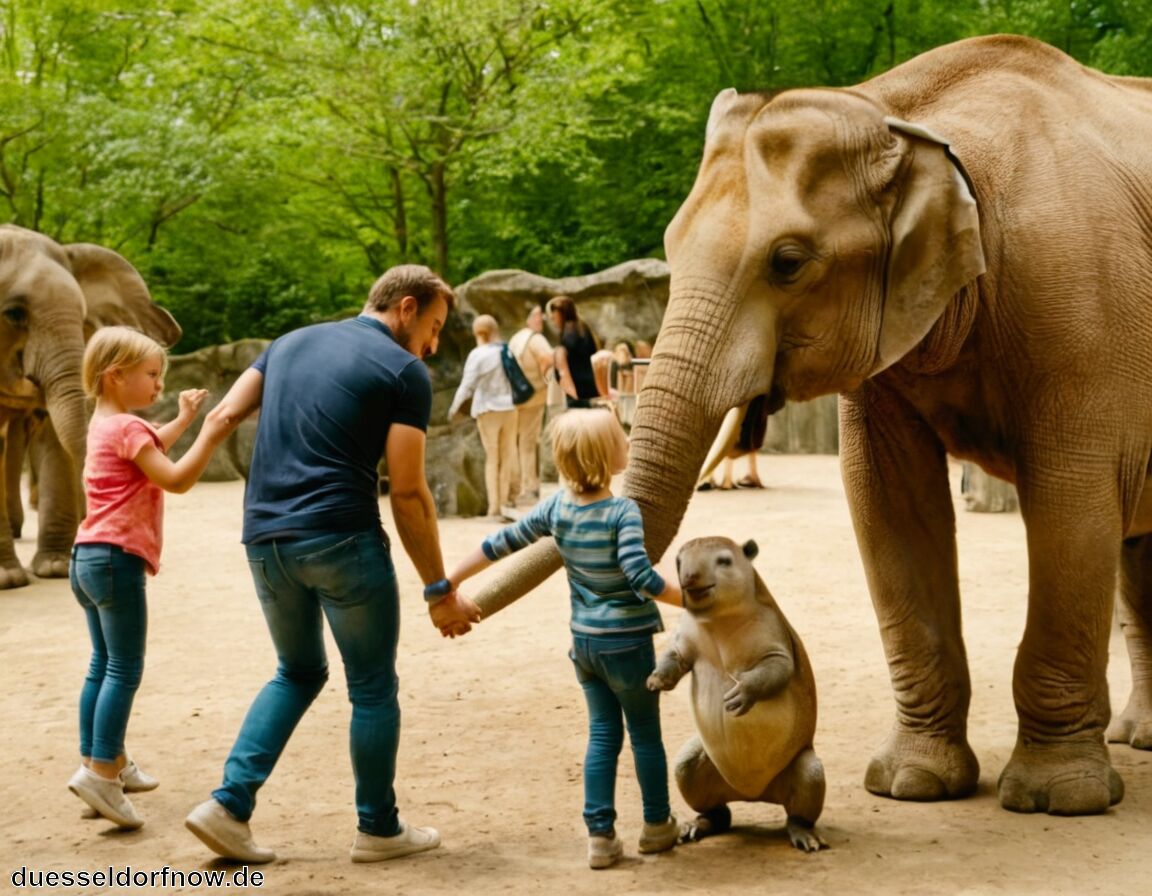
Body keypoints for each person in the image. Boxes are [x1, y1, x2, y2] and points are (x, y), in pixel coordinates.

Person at [184, 264, 481, 866]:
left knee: (296, 671)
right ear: (404, 307)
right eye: (433, 326)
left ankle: (227, 806)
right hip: (342, 539)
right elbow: (407, 491)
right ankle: (378, 828)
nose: (431, 343)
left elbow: (221, 419)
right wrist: (438, 588)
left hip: (264, 539)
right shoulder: (405, 372)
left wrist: (177, 472)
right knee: (372, 686)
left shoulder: (287, 343)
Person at [445, 408, 682, 870]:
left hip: (585, 646)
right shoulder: (622, 512)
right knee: (646, 736)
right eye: (621, 438)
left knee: (601, 735)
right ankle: (657, 826)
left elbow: (503, 543)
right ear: (607, 456)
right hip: (628, 643)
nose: (628, 442)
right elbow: (639, 575)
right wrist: (689, 599)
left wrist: (450, 579)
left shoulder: (558, 507)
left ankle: (600, 836)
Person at [68, 326, 233, 830]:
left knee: (102, 664)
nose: (159, 383)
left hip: (87, 557)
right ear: (115, 376)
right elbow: (176, 478)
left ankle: (104, 761)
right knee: (124, 668)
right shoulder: (128, 429)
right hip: (116, 562)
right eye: (152, 374)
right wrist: (211, 432)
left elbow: (147, 446)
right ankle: (101, 773)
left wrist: (182, 418)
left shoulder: (106, 424)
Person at [448, 314, 519, 520]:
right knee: (507, 456)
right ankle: (505, 502)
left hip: (488, 410)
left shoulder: (477, 354)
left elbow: (467, 385)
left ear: (480, 333)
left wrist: (454, 409)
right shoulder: (508, 350)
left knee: (492, 457)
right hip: (510, 408)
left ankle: (494, 508)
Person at [507, 305, 554, 505]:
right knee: (527, 443)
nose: (540, 319)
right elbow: (547, 358)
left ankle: (517, 487)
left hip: (515, 397)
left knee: (515, 443)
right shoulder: (536, 339)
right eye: (535, 316)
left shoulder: (516, 338)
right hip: (534, 397)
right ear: (527, 319)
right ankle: (531, 487)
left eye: (540, 316)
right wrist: (546, 381)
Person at [547, 295, 600, 409]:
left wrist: (573, 395)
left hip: (577, 391)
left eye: (554, 318)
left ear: (562, 314)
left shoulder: (568, 333)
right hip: (591, 386)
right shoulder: (583, 328)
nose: (553, 322)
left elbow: (563, 370)